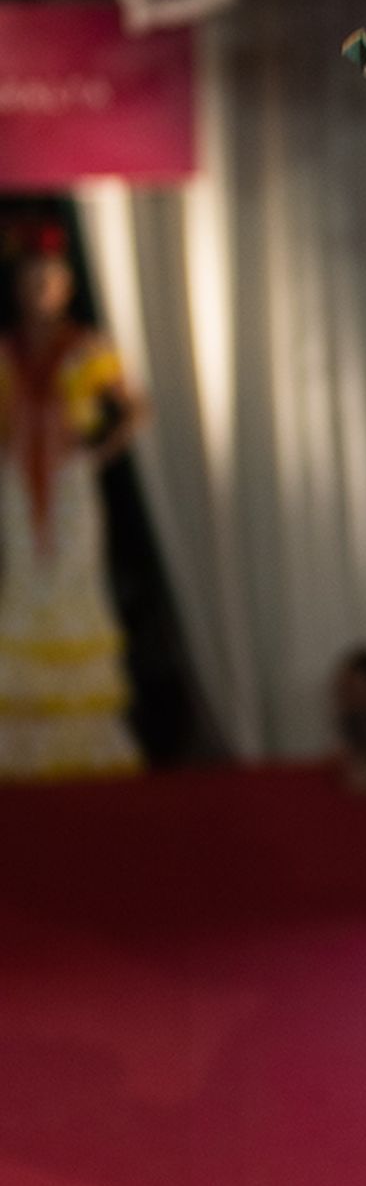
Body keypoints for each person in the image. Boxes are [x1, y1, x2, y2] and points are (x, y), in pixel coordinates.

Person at [0, 221, 146, 781]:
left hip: (67, 483)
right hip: (18, 483)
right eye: (30, 279)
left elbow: (133, 408)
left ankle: (83, 743)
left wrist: (96, 453)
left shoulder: (86, 349)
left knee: (70, 583)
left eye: (49, 278)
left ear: (65, 285)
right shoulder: (8, 353)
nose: (39, 289)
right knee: (24, 582)